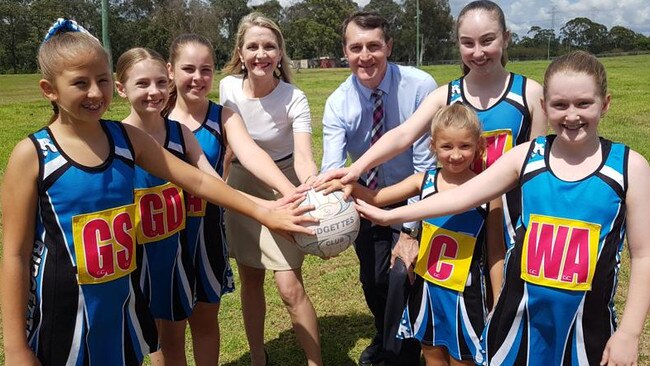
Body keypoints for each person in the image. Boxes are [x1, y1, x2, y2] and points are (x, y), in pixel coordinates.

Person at [0, 19, 315, 366]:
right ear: (50, 89)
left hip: (122, 304)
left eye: (101, 79)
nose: (94, 92)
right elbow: (15, 254)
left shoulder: (127, 141)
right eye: (80, 83)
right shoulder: (33, 155)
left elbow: (198, 181)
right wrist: (16, 348)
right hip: (63, 313)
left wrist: (265, 210)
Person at [355, 51, 650, 366]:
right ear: (545, 105)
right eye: (560, 105)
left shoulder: (629, 167)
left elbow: (644, 255)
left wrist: (630, 333)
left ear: (605, 103)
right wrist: (389, 215)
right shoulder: (528, 157)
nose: (572, 115)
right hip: (519, 320)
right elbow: (459, 196)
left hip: (586, 327)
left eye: (584, 104)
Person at [317, 0, 547, 251]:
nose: (478, 52)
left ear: (506, 38)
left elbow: (535, 173)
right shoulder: (445, 95)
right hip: (455, 219)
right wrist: (357, 168)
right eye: (468, 43)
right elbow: (403, 134)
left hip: (510, 221)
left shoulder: (531, 94)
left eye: (487, 40)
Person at [165, 32, 313, 365]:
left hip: (207, 236)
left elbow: (251, 154)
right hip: (164, 238)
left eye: (205, 70)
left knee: (205, 324)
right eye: (188, 69)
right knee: (168, 336)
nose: (198, 78)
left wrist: (290, 193)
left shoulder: (223, 116)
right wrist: (263, 209)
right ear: (170, 69)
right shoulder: (154, 121)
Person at [321, 103, 504, 365]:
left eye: (465, 146)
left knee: (463, 360)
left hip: (467, 296)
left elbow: (496, 250)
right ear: (433, 146)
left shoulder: (488, 190)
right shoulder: (424, 181)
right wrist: (343, 182)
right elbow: (376, 197)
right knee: (432, 357)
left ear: (479, 146)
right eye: (446, 146)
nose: (455, 155)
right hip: (428, 290)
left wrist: (497, 299)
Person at [319, 11, 438, 366]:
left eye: (374, 46)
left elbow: (424, 164)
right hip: (365, 200)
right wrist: (326, 218)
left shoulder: (420, 86)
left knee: (404, 274)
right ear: (345, 50)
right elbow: (332, 167)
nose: (365, 56)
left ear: (388, 46)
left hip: (414, 195)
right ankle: (387, 332)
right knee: (373, 281)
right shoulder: (338, 102)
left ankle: (402, 349)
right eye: (356, 47)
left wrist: (410, 230)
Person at [220, 13, 321, 366]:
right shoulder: (228, 88)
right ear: (241, 51)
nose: (261, 54)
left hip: (285, 186)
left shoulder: (295, 97)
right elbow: (237, 146)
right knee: (250, 276)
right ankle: (257, 357)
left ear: (280, 54)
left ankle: (314, 361)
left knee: (290, 287)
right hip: (244, 187)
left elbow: (305, 156)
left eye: (269, 46)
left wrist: (308, 187)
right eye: (253, 46)